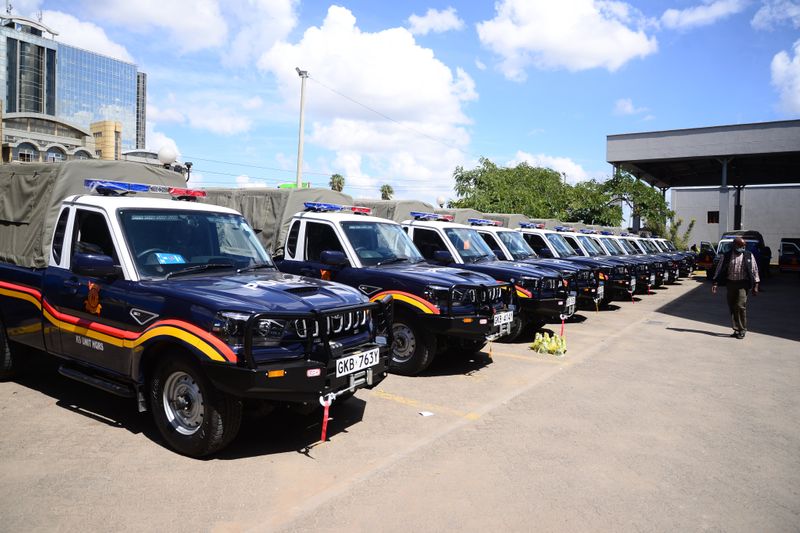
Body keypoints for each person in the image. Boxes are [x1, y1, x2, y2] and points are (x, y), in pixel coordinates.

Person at [712, 236, 760, 339]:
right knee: (732, 307)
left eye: (744, 246)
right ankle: (736, 329)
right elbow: (719, 269)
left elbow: (755, 270)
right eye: (741, 245)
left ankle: (742, 329)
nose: (743, 247)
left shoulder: (748, 255)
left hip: (743, 284)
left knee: (740, 306)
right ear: (734, 245)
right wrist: (715, 283)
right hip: (730, 284)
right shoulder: (727, 256)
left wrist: (756, 285)